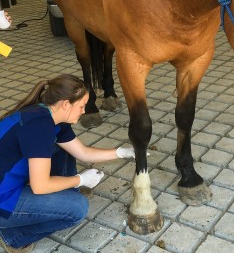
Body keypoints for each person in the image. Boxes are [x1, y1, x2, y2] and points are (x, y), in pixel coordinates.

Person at [0, 74, 135, 253]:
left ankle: (61, 197)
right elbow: (39, 186)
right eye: (81, 106)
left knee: (62, 148)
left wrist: (120, 152)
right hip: (3, 199)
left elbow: (82, 152)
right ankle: (13, 237)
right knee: (77, 208)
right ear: (66, 104)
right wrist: (80, 180)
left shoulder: (49, 114)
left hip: (7, 185)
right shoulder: (39, 127)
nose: (84, 111)